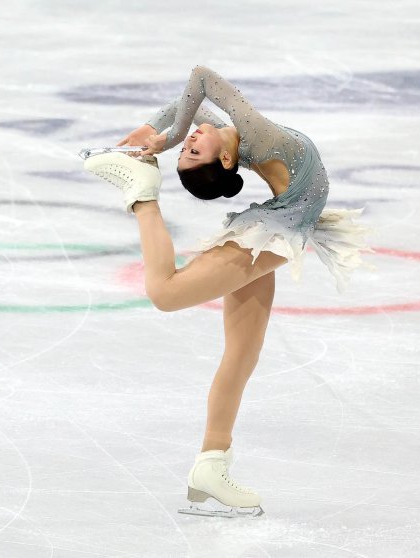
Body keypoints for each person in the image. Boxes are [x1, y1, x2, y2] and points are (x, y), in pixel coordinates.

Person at [83, 65, 371, 517]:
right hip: (276, 229)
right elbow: (202, 80)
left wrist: (159, 130)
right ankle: (143, 195)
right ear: (223, 162)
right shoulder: (253, 133)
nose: (190, 141)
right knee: (166, 292)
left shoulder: (238, 135)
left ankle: (210, 466)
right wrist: (172, 136)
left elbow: (195, 94)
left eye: (189, 148)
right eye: (190, 151)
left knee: (242, 354)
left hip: (281, 221)